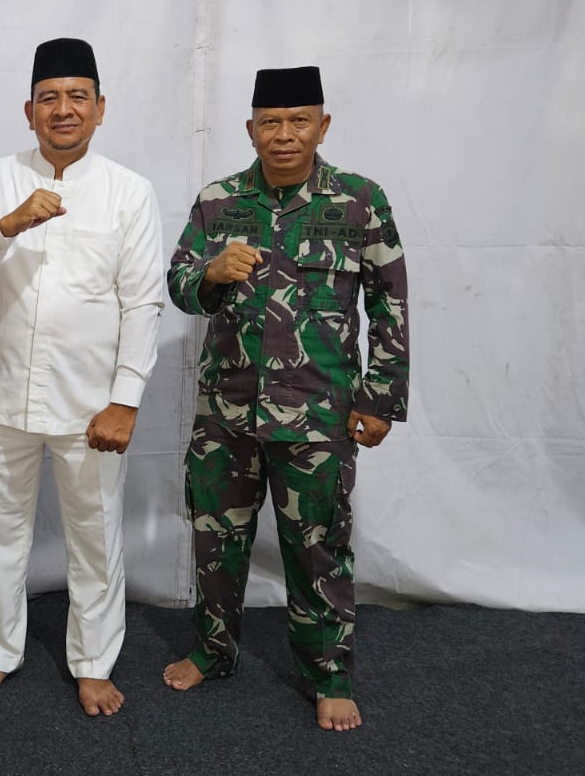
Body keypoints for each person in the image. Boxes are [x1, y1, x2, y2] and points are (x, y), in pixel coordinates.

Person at [160, 66, 409, 732]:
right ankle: (211, 652)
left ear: (323, 126)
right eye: (270, 122)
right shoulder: (218, 202)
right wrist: (211, 272)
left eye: (300, 121)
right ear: (251, 129)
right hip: (226, 413)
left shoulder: (359, 201)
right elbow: (180, 285)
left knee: (318, 546)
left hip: (318, 413)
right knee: (216, 541)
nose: (284, 134)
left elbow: (390, 301)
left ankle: (328, 674)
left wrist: (381, 396)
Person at [0, 38, 165, 717]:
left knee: (94, 537)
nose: (62, 109)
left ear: (100, 108)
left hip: (91, 404)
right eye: (49, 98)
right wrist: (8, 225)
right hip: (2, 396)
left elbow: (143, 303)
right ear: (29, 110)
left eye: (77, 97)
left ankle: (93, 663)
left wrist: (126, 401)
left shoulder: (130, 191)